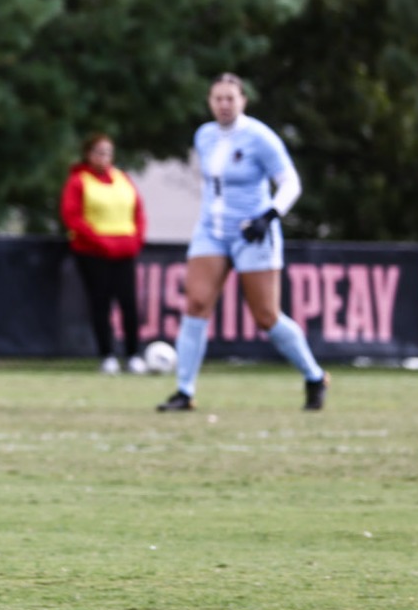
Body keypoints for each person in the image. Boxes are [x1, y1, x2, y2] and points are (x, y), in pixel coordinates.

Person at [158, 74, 329, 412]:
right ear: (210, 102)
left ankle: (314, 376)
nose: (224, 105)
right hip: (212, 230)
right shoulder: (204, 136)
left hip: (254, 231)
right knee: (196, 303)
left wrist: (268, 216)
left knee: (266, 316)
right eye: (218, 99)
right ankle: (184, 391)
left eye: (230, 99)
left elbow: (290, 183)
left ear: (243, 101)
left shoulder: (260, 137)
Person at [60, 133, 147, 374]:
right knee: (101, 303)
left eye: (108, 152)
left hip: (124, 252)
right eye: (99, 151)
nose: (104, 157)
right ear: (88, 154)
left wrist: (135, 239)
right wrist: (102, 242)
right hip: (93, 253)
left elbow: (138, 212)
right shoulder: (79, 181)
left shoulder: (123, 179)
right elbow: (73, 218)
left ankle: (132, 355)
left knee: (128, 304)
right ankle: (107, 355)